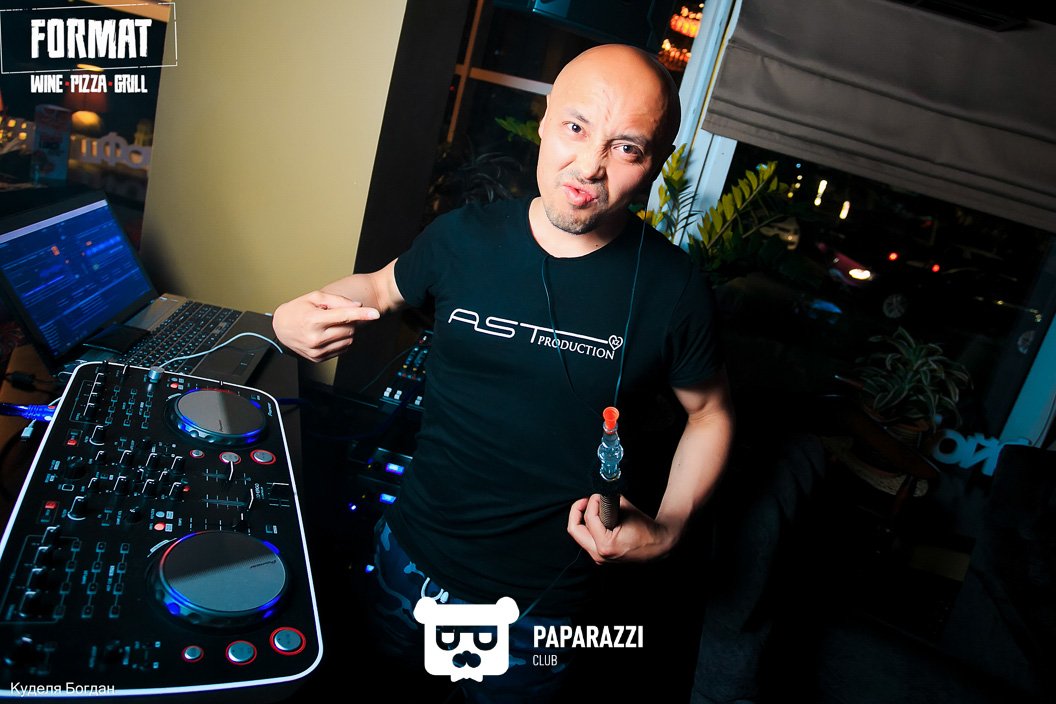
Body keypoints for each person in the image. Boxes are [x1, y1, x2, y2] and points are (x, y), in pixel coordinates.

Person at [273, 43, 734, 702]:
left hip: (543, 610)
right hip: (406, 558)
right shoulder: (463, 237)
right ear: (545, 121)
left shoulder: (675, 291)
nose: (590, 165)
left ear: (655, 164)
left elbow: (709, 414)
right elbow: (378, 288)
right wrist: (301, 311)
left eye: (626, 148)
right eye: (576, 127)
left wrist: (670, 528)